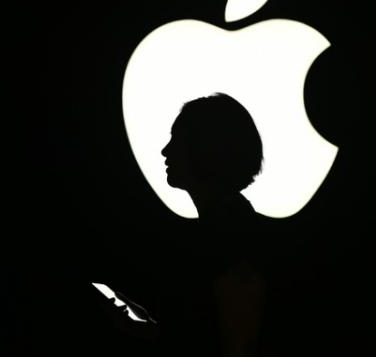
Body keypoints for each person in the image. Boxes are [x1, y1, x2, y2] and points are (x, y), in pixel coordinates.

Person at [101, 93, 267, 356]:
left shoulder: (228, 231)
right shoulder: (229, 224)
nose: (165, 151)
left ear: (205, 149)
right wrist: (145, 329)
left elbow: (238, 342)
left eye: (177, 140)